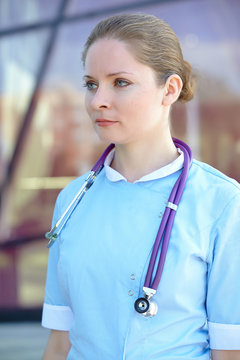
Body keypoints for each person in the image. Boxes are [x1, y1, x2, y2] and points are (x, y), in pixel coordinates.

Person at [41, 13, 240, 360]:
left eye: (119, 82)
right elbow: (60, 343)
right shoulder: (72, 200)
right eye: (91, 84)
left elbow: (229, 350)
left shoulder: (221, 203)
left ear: (170, 89)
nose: (97, 100)